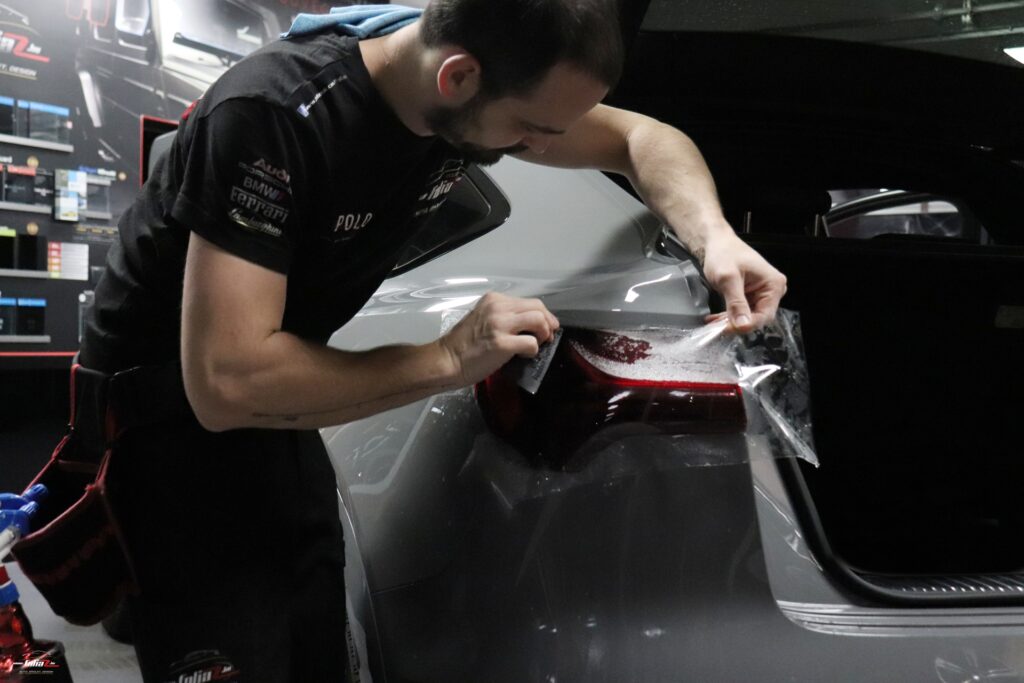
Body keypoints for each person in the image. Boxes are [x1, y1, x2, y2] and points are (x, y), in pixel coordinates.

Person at [78, 1, 787, 680]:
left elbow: (642, 139)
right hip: (163, 423)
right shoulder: (273, 117)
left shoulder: (466, 88)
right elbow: (226, 383)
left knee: (314, 647)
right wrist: (447, 357)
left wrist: (715, 240)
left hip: (272, 402)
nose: (542, 147)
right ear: (459, 76)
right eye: (529, 128)